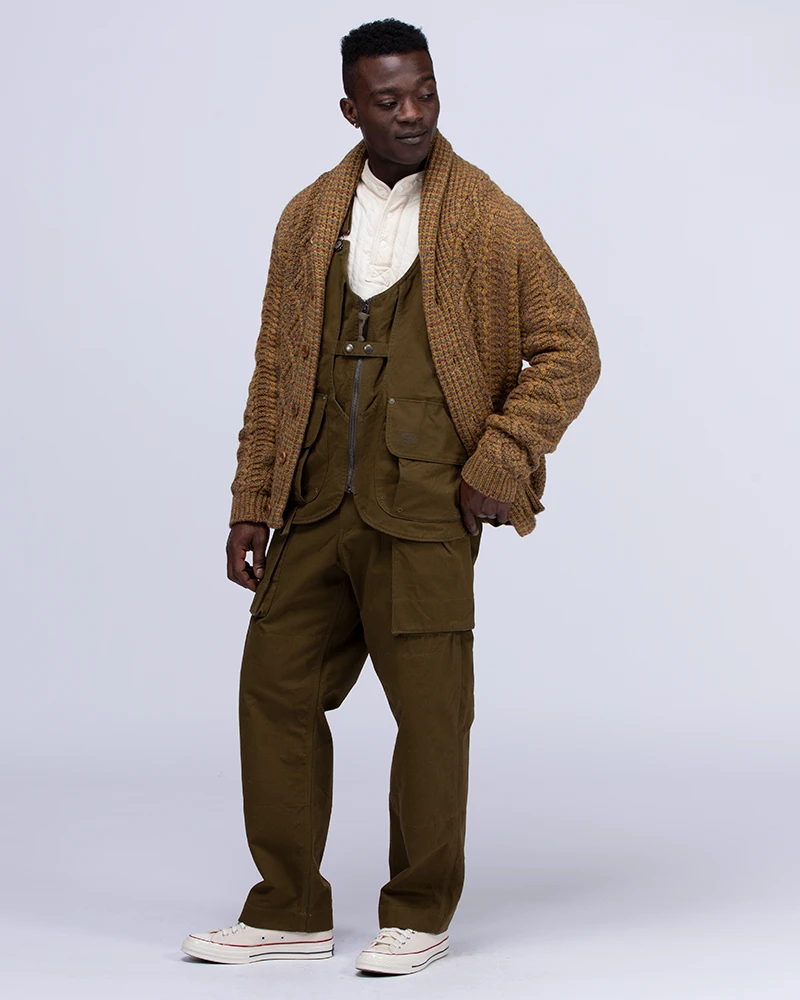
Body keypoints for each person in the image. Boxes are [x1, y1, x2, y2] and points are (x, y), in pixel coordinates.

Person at [181, 17, 600, 977]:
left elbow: (570, 348)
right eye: (389, 99)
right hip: (314, 505)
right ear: (350, 109)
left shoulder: (486, 216)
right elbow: (274, 371)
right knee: (274, 690)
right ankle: (289, 910)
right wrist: (252, 500)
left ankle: (417, 910)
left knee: (432, 714)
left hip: (424, 512)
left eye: (425, 92)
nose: (412, 113)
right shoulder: (306, 217)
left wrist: (503, 458)